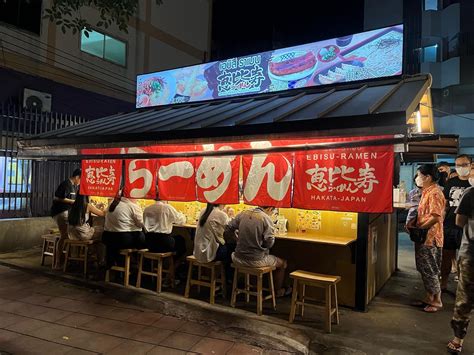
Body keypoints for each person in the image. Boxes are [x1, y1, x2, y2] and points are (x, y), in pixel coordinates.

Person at [227, 206, 291, 297]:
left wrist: (236, 240)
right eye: (273, 212)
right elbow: (269, 243)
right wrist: (261, 244)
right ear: (269, 208)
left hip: (237, 258)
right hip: (255, 260)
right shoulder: (266, 218)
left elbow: (228, 228)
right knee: (283, 263)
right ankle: (277, 292)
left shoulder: (243, 213)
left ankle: (253, 286)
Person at [407, 164, 445, 313]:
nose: (417, 178)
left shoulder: (435, 192)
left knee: (429, 269)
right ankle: (430, 297)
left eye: (419, 175)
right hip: (425, 237)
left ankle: (437, 301)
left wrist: (421, 228)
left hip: (430, 238)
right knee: (425, 268)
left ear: (428, 177)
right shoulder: (427, 191)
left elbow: (436, 217)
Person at [447, 184, 474, 353]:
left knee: (465, 296)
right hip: (471, 252)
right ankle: (458, 337)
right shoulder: (470, 193)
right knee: (465, 296)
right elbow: (459, 220)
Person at [441, 155, 472, 291]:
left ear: (471, 164)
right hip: (449, 225)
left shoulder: (472, 184)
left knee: (464, 259)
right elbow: (445, 204)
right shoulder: (450, 182)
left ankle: (462, 287)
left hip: (466, 227)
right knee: (446, 256)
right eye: (458, 165)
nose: (461, 168)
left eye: (464, 165)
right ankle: (443, 284)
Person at [143, 199, 187, 274]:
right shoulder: (167, 207)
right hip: (164, 243)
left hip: (149, 243)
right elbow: (181, 221)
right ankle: (170, 274)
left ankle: (164, 272)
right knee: (181, 241)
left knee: (177, 240)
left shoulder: (147, 209)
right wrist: (183, 215)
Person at [102, 195, 145, 268]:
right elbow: (142, 224)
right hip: (122, 240)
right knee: (142, 238)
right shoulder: (132, 206)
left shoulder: (112, 203)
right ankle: (137, 267)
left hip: (107, 238)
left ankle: (121, 265)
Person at [50, 168, 81, 269]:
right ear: (77, 177)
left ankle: (67, 260)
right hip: (60, 212)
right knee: (64, 236)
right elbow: (56, 198)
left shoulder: (73, 186)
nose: (80, 182)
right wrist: (72, 202)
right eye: (80, 179)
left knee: (68, 235)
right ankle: (58, 263)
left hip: (67, 212)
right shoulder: (66, 184)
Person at [67, 193, 107, 268]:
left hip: (72, 234)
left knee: (98, 234)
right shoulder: (88, 205)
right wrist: (106, 207)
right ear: (87, 196)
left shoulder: (74, 204)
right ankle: (101, 261)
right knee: (104, 233)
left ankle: (91, 254)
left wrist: (95, 207)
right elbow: (102, 214)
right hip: (83, 234)